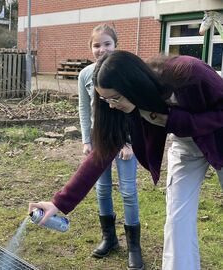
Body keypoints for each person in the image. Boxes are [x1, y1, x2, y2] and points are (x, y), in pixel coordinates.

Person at [29, 50, 223, 270]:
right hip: (186, 146)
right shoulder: (121, 106)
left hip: (220, 137)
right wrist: (58, 203)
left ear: (133, 85)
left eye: (115, 98)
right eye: (105, 99)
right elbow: (101, 154)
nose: (111, 105)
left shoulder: (188, 72)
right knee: (177, 222)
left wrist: (175, 120)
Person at [77, 24, 143, 269]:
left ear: (116, 45)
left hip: (124, 141)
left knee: (127, 191)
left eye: (107, 44)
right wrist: (86, 140)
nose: (101, 49)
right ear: (90, 48)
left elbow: (131, 110)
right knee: (102, 190)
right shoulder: (84, 75)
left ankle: (134, 247)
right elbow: (84, 109)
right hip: (99, 141)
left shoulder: (122, 73)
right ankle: (110, 238)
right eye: (96, 45)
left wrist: (129, 143)